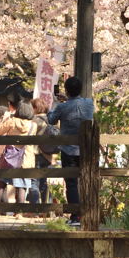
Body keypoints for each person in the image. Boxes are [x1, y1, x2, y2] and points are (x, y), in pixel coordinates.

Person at [46, 76, 95, 227]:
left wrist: (55, 104)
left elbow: (51, 120)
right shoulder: (89, 103)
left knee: (71, 183)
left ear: (66, 90)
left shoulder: (62, 107)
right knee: (87, 181)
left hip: (69, 150)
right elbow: (78, 107)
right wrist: (67, 100)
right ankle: (89, 214)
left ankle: (76, 216)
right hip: (86, 149)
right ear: (80, 89)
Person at [0, 95, 37, 212]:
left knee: (1, 184)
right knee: (22, 186)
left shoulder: (12, 121)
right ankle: (19, 213)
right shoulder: (33, 125)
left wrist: (6, 119)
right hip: (26, 159)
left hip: (9, 158)